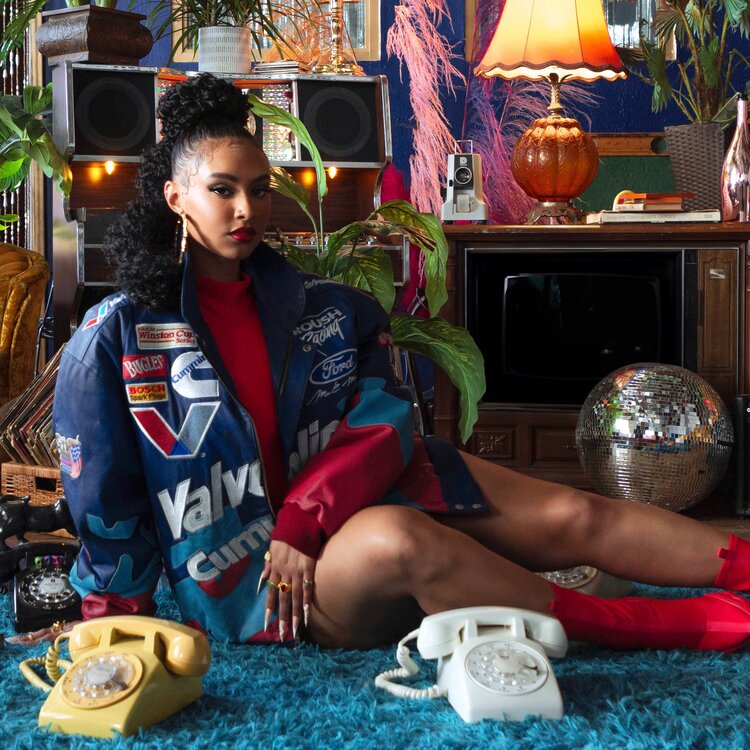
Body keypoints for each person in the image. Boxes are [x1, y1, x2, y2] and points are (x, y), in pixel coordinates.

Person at [49, 73, 750, 653]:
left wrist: (302, 516)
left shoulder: (330, 308)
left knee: (573, 512)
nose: (245, 210)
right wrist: (111, 625)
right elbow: (106, 500)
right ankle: (654, 627)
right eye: (222, 189)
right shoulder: (116, 339)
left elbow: (385, 419)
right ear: (175, 197)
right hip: (269, 577)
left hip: (347, 501)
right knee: (403, 540)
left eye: (259, 189)